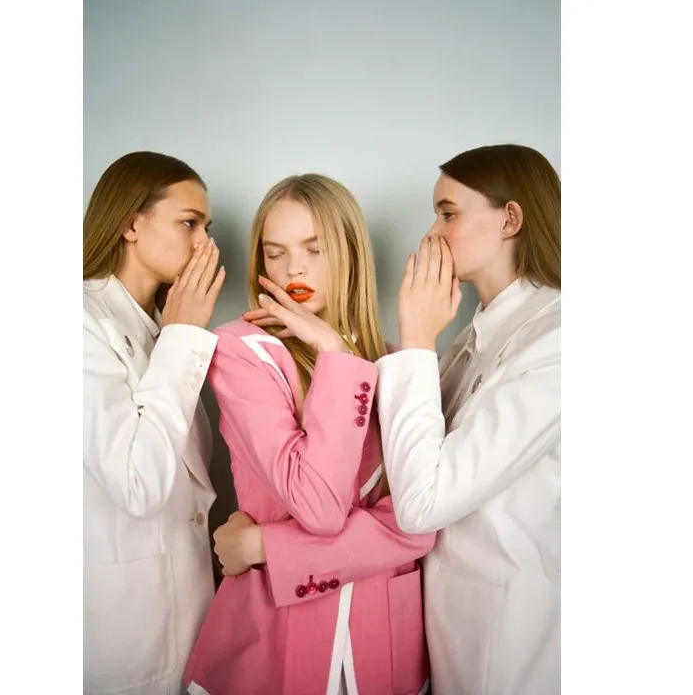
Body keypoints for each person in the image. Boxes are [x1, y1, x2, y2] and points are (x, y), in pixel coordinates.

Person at [183, 174, 433, 695]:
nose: (293, 268)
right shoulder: (241, 352)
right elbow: (318, 506)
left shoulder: (395, 363)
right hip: (275, 638)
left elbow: (420, 526)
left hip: (384, 642)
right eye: (275, 253)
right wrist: (337, 359)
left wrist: (264, 546)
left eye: (313, 249)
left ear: (349, 252)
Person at [378, 144, 562, 694]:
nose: (431, 234)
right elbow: (409, 449)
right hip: (452, 617)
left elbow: (423, 503)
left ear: (510, 219)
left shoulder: (557, 341)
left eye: (449, 213)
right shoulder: (473, 335)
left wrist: (415, 337)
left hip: (512, 633)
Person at [83, 151, 226, 695]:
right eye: (188, 223)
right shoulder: (79, 320)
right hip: (124, 625)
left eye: (207, 227)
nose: (204, 245)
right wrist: (184, 336)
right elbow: (138, 482)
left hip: (186, 605)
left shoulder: (158, 328)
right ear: (130, 223)